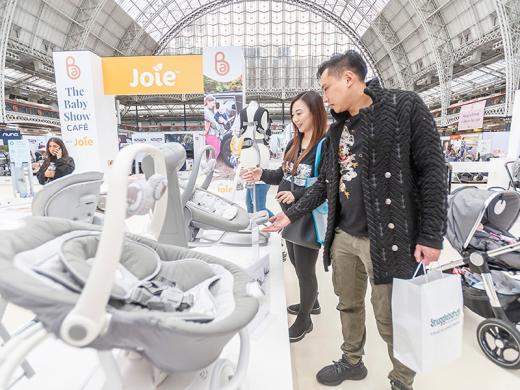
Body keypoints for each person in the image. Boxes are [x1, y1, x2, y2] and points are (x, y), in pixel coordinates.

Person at [263, 51, 447, 390]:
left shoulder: (404, 107)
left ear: (349, 79)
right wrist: (290, 214)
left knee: (391, 317)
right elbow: (326, 183)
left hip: (389, 241)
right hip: (344, 236)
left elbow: (433, 171)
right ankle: (352, 361)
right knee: (347, 305)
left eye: (327, 87)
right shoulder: (338, 129)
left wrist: (432, 235)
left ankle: (402, 380)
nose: (324, 96)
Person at [241, 91, 328, 342]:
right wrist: (261, 174)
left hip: (309, 218)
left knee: (304, 271)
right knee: (295, 261)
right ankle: (312, 304)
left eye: (299, 113)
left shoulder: (324, 145)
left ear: (315, 111)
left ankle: (305, 320)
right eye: (293, 114)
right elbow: (283, 174)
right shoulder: (295, 142)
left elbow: (324, 185)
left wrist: (297, 195)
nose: (296, 119)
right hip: (289, 215)